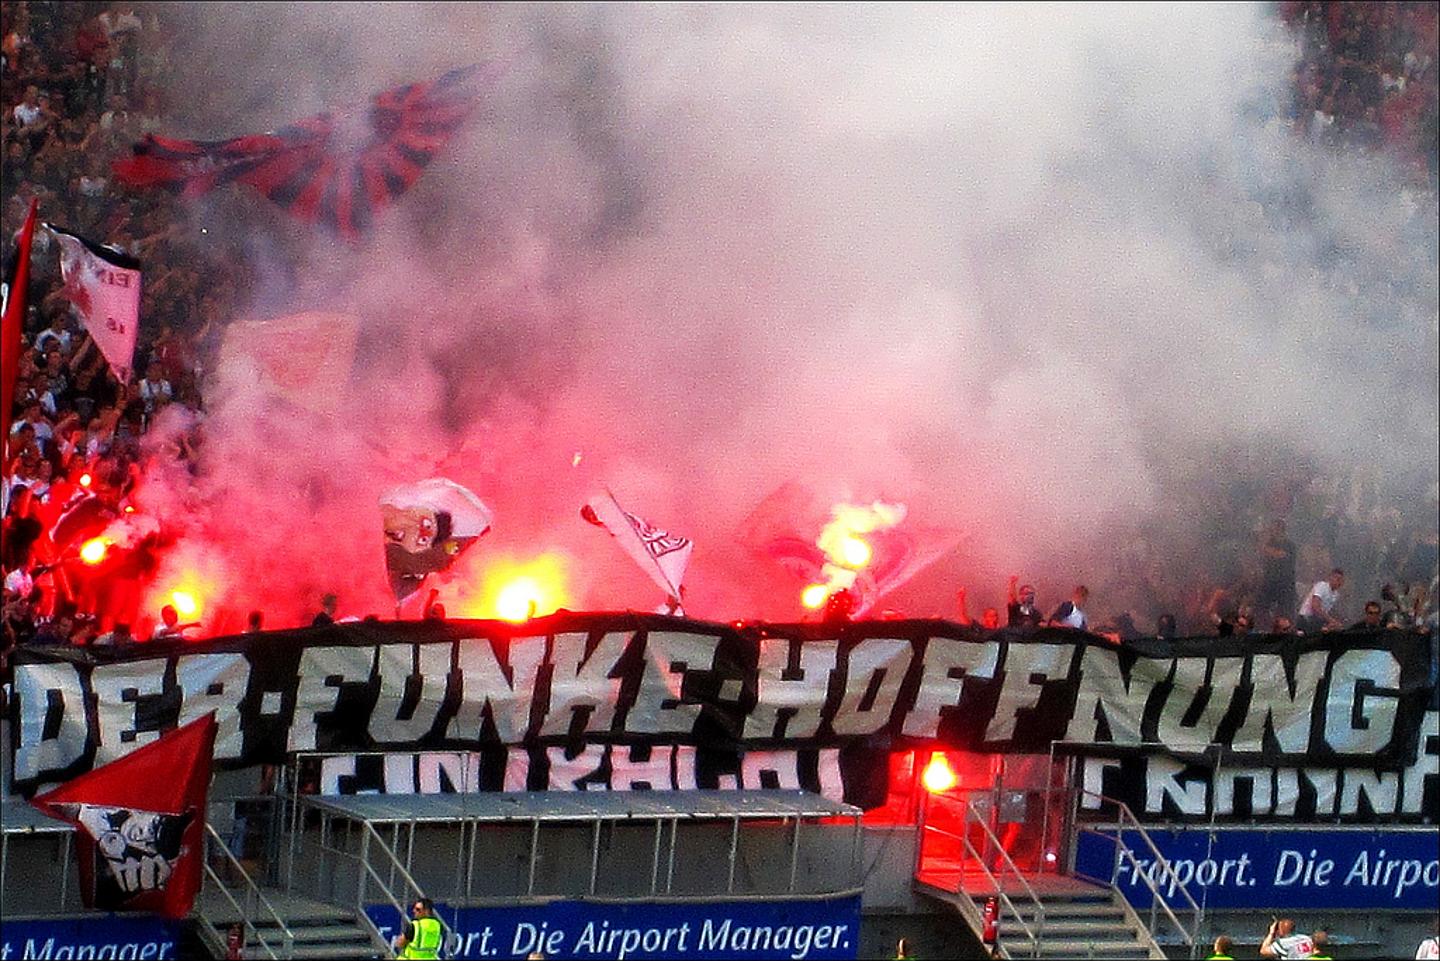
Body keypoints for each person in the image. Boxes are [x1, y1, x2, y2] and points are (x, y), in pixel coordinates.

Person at [1298, 569, 1345, 633]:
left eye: (1341, 580)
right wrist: (1331, 620)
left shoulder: (1336, 595)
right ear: (1330, 578)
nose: (1339, 582)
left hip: (1317, 620)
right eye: (1337, 579)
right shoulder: (1322, 586)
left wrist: (1333, 623)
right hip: (1306, 619)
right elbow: (1315, 607)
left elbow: (1326, 612)